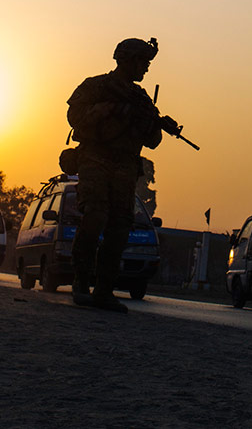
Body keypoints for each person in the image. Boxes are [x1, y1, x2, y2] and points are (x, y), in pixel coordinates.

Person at [65, 37, 181, 313]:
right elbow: (75, 117)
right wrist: (114, 109)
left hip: (126, 167)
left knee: (119, 227)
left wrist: (154, 124)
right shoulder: (96, 86)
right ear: (126, 60)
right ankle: (81, 283)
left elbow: (152, 141)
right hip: (95, 158)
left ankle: (104, 290)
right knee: (94, 216)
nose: (146, 69)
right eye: (143, 62)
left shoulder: (141, 99)